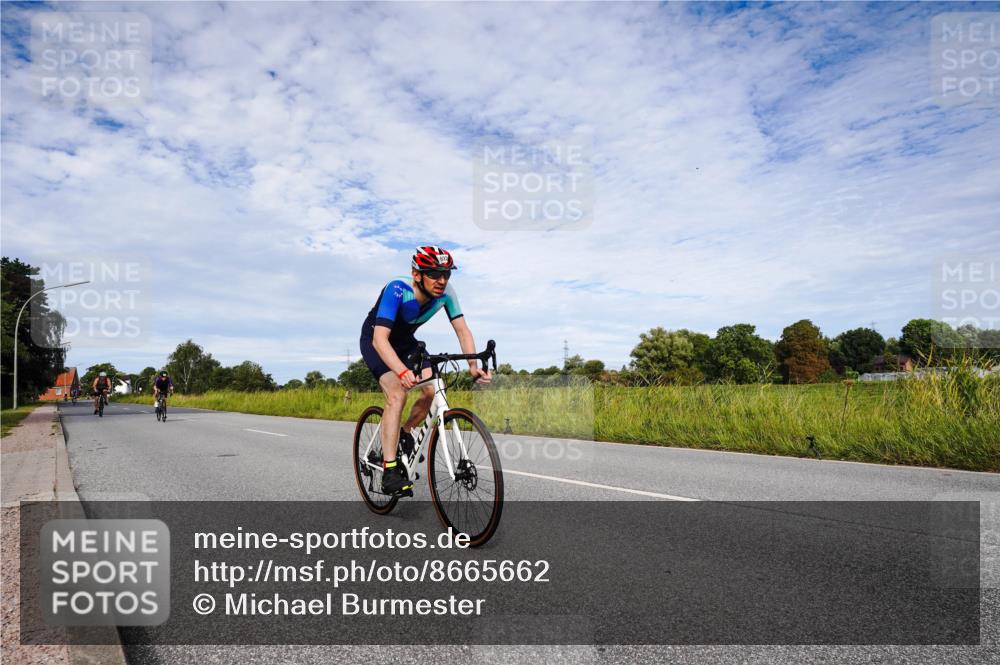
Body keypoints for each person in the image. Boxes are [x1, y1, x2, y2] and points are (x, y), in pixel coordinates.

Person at [360, 246, 491, 496]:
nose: (442, 280)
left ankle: (405, 432)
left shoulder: (446, 293)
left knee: (432, 388)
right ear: (417, 274)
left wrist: (473, 366)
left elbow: (462, 330)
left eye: (446, 274)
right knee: (397, 394)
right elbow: (380, 339)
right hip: (377, 341)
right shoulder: (397, 289)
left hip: (406, 343)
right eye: (434, 274)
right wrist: (400, 371)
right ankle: (389, 470)